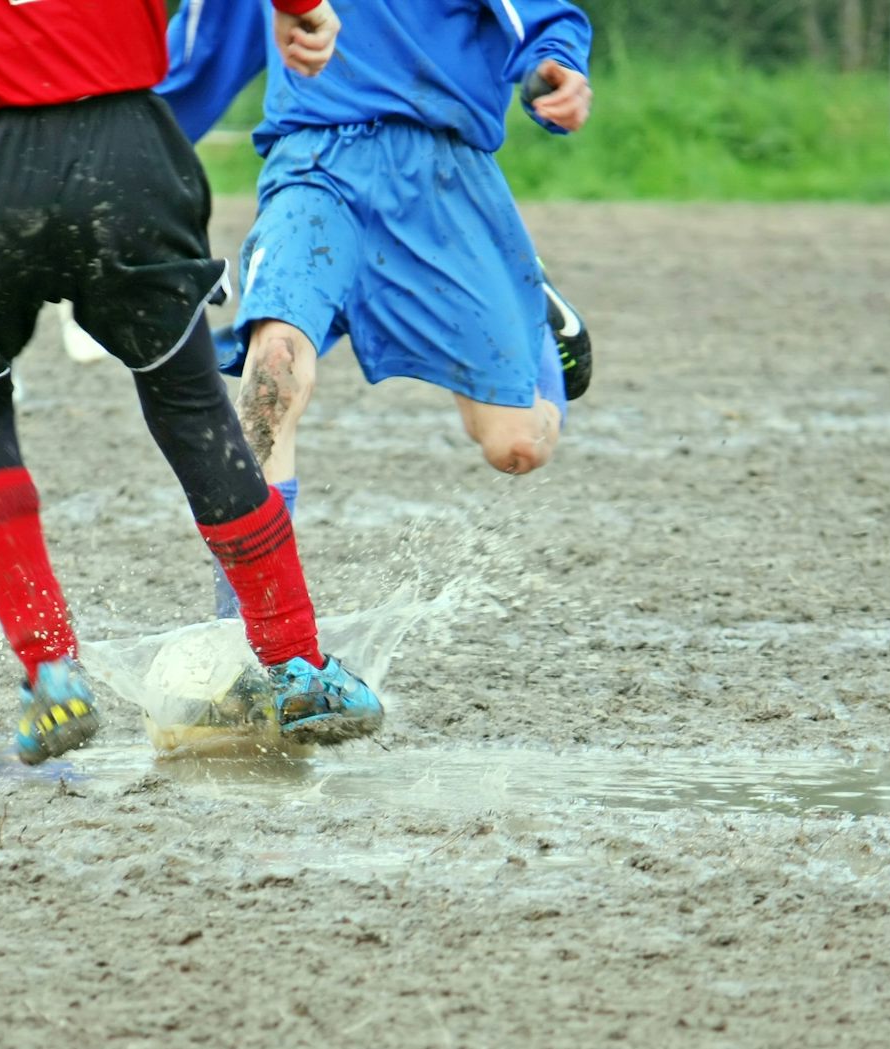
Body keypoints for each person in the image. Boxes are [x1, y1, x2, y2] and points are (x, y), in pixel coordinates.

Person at [0, 0, 385, 764]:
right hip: (123, 152)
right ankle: (297, 666)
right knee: (186, 402)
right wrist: (300, 9)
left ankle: (49, 670)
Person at [157, 0, 595, 616]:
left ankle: (538, 320)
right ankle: (251, 642)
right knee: (272, 374)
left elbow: (545, 21)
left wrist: (556, 69)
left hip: (444, 177)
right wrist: (114, 156)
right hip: (313, 163)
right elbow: (197, 57)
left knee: (515, 447)